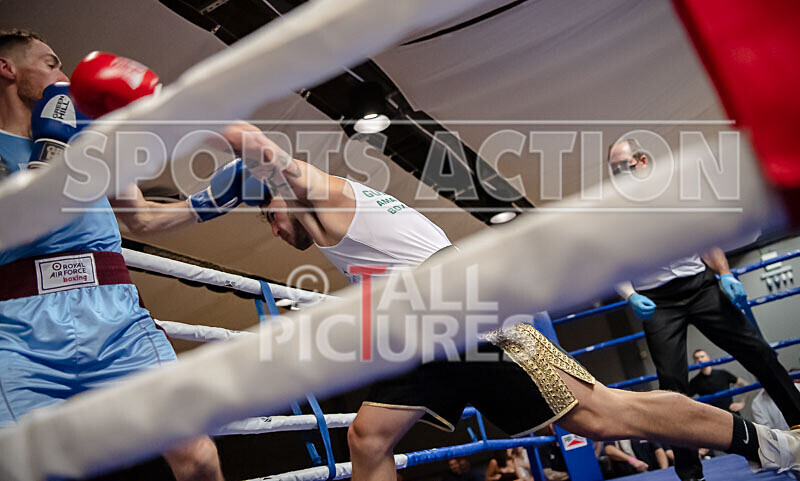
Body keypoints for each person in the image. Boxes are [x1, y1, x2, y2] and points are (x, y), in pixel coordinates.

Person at [199, 122, 800, 481]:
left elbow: (255, 146)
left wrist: (201, 120)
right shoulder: (339, 219)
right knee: (368, 437)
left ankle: (767, 442)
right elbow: (162, 211)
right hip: (430, 331)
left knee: (604, 415)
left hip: (465, 318)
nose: (274, 231)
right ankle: (763, 442)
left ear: (284, 196)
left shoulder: (323, 195)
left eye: (271, 216)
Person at [0, 30, 224, 480]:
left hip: (115, 317)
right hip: (19, 330)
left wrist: (213, 201)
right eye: (50, 63)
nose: (63, 76)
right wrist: (47, 153)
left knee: (197, 456)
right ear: (7, 69)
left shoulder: (93, 140)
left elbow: (141, 219)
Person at [609, 138, 800, 481]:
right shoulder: (613, 212)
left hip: (700, 286)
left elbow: (704, 240)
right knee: (672, 386)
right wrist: (629, 296)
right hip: (658, 302)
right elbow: (612, 263)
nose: (617, 174)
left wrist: (725, 274)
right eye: (613, 169)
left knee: (758, 352)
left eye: (621, 166)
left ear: (641, 161)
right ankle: (690, 472)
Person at [604, 439, 668, 477]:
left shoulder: (644, 431)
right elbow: (609, 450)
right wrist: (632, 460)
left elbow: (659, 450)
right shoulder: (615, 432)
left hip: (652, 474)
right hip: (629, 475)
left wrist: (664, 471)